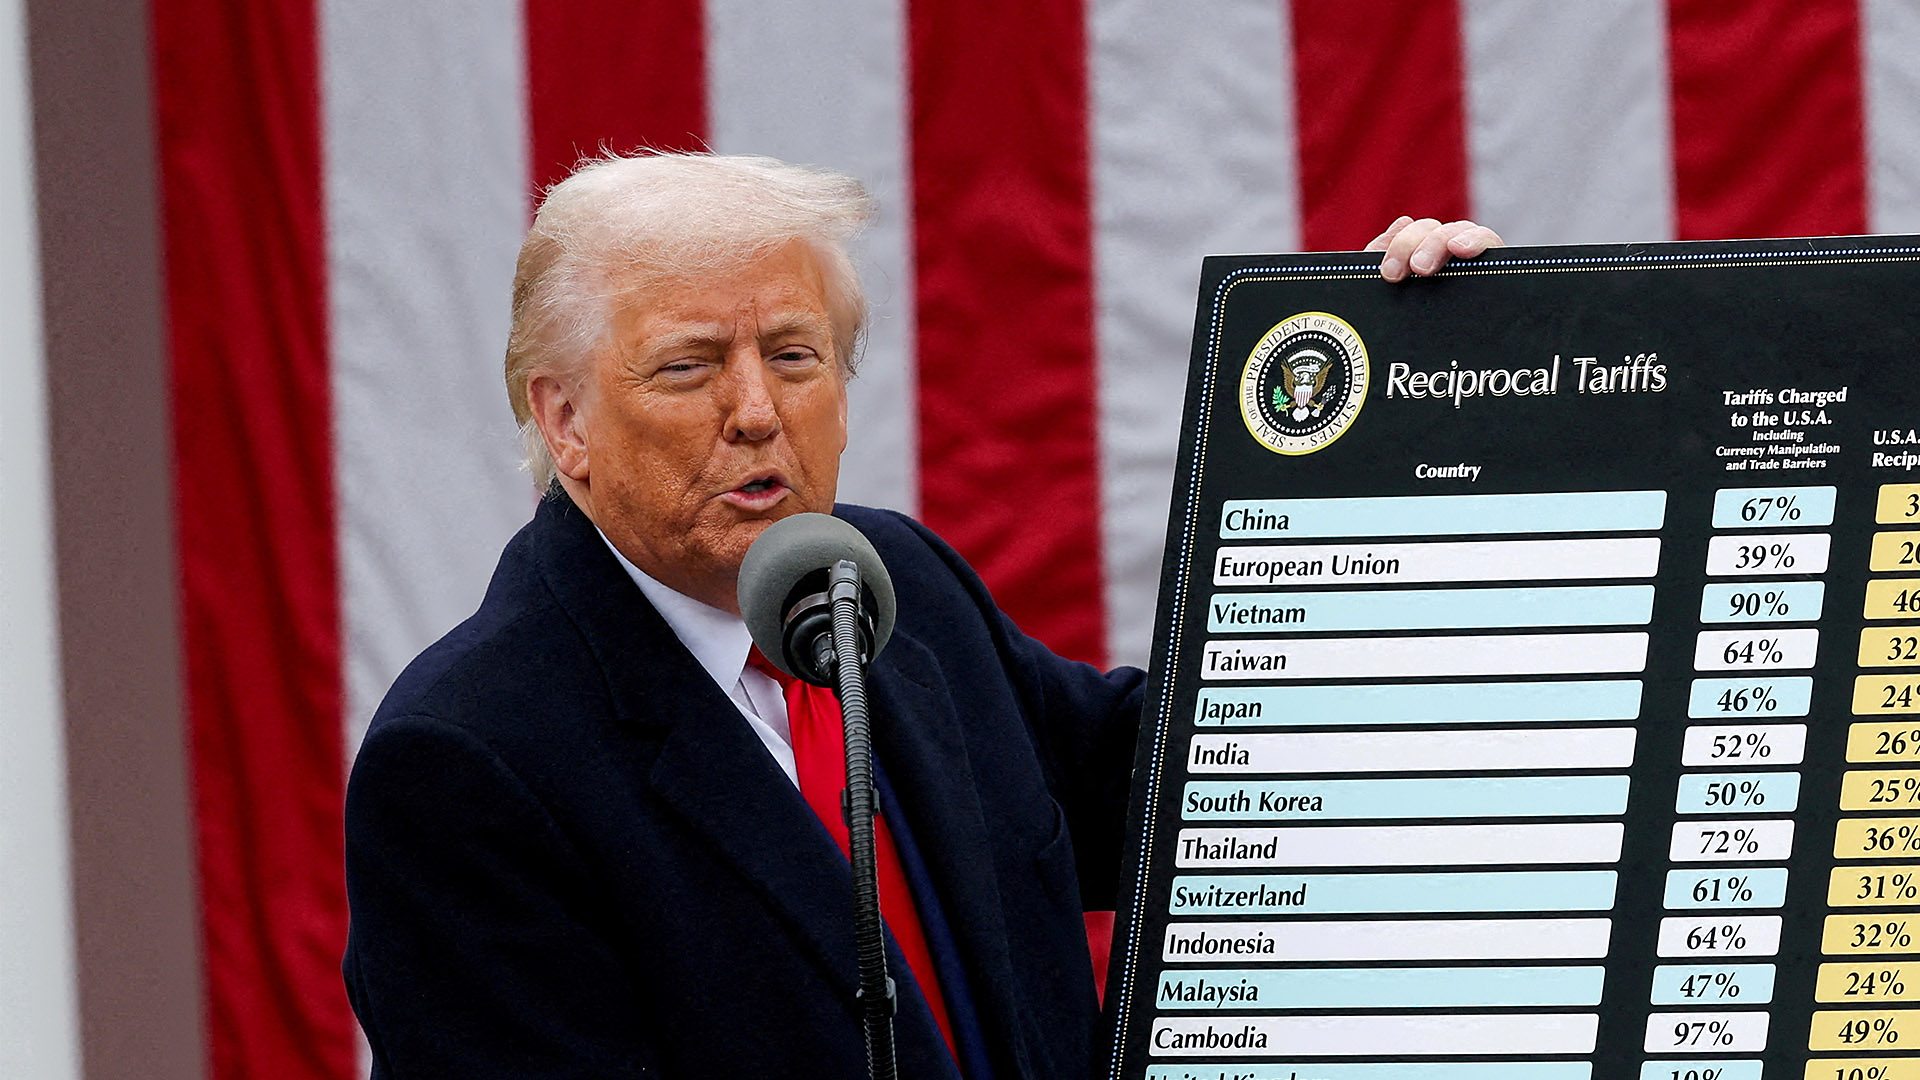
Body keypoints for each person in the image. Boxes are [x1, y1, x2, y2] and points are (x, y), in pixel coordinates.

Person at [341, 152, 1500, 1079]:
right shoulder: (468, 760)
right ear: (565, 422)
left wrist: (1409, 413)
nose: (756, 410)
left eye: (794, 354)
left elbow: (1200, 787)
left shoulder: (888, 583)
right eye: (691, 368)